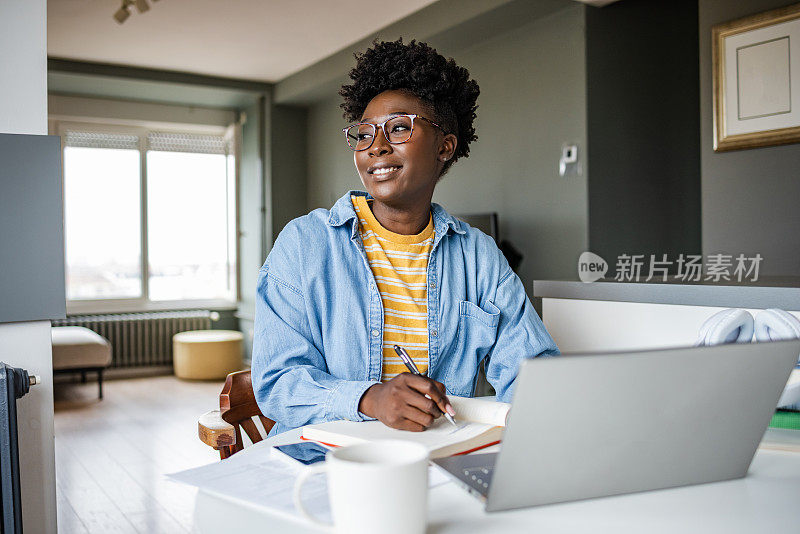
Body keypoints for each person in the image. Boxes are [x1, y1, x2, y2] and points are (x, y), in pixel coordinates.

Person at [252, 38, 558, 436]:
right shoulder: (304, 245)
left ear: (445, 146)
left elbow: (533, 373)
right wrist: (369, 399)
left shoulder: (479, 257)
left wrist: (531, 428)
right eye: (363, 134)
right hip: (323, 463)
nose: (375, 146)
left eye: (398, 128)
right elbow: (277, 382)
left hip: (437, 459)